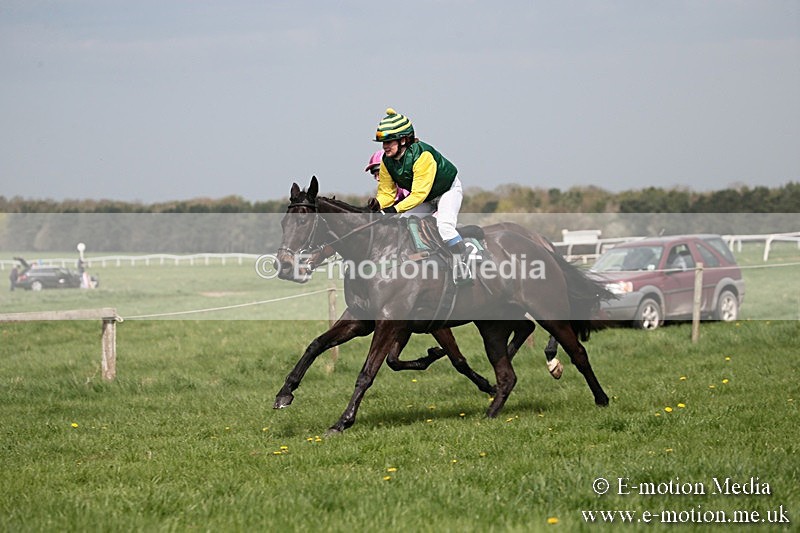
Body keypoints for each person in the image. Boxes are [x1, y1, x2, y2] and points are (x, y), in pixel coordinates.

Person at [372, 108, 471, 283]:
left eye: (389, 141)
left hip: (447, 191)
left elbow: (418, 194)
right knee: (402, 223)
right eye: (383, 142)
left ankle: (463, 263)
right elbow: (387, 193)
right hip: (427, 198)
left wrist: (393, 209)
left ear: (403, 140)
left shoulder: (422, 156)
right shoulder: (387, 162)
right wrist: (376, 205)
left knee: (445, 226)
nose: (385, 146)